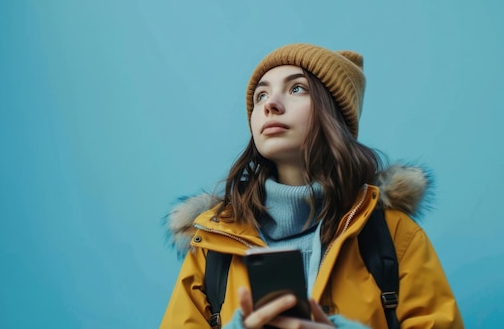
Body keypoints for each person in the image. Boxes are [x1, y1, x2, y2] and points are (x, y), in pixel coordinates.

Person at [160, 43, 463, 329]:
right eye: (260, 96)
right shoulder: (211, 245)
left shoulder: (395, 236)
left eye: (296, 88)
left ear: (334, 114)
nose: (271, 105)